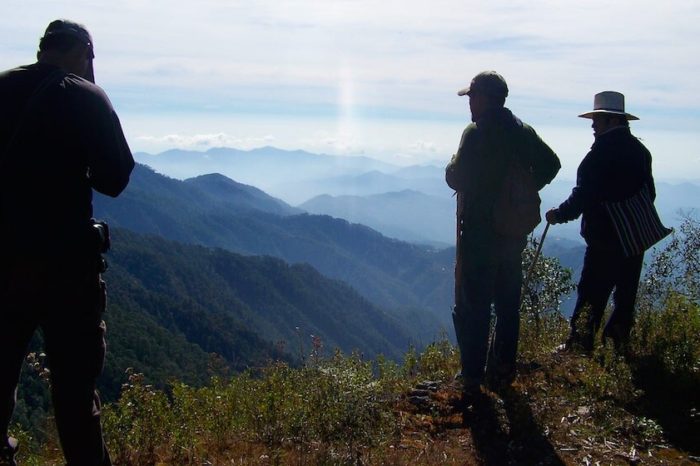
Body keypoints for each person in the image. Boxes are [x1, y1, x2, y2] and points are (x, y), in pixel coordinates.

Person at [0, 20, 134, 465]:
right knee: (75, 393)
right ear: (85, 54)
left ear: (42, 50)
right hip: (66, 270)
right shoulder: (83, 96)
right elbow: (114, 178)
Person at [446, 71, 560, 397]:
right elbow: (552, 164)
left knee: (475, 306)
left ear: (484, 98)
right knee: (508, 305)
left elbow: (457, 177)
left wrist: (451, 167)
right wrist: (521, 191)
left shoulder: (475, 133)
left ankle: (472, 376)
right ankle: (504, 369)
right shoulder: (523, 132)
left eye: (472, 96)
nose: (469, 102)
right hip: (511, 235)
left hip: (480, 236)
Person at [546, 91, 654, 355]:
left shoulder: (599, 155)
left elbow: (583, 194)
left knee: (592, 291)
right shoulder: (641, 152)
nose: (593, 125)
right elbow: (649, 193)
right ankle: (617, 343)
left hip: (604, 237)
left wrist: (559, 214)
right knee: (625, 294)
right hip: (635, 235)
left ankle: (579, 346)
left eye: (598, 119)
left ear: (613, 122)